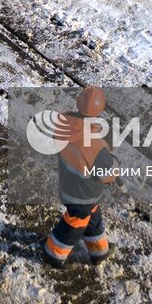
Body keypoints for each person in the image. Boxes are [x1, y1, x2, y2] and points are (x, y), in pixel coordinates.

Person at [43, 85, 117, 268]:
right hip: (83, 195)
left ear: (78, 102)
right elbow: (108, 175)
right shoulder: (95, 144)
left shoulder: (64, 124)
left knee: (93, 218)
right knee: (73, 226)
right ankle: (53, 255)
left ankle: (99, 252)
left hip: (68, 186)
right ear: (101, 110)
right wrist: (111, 158)